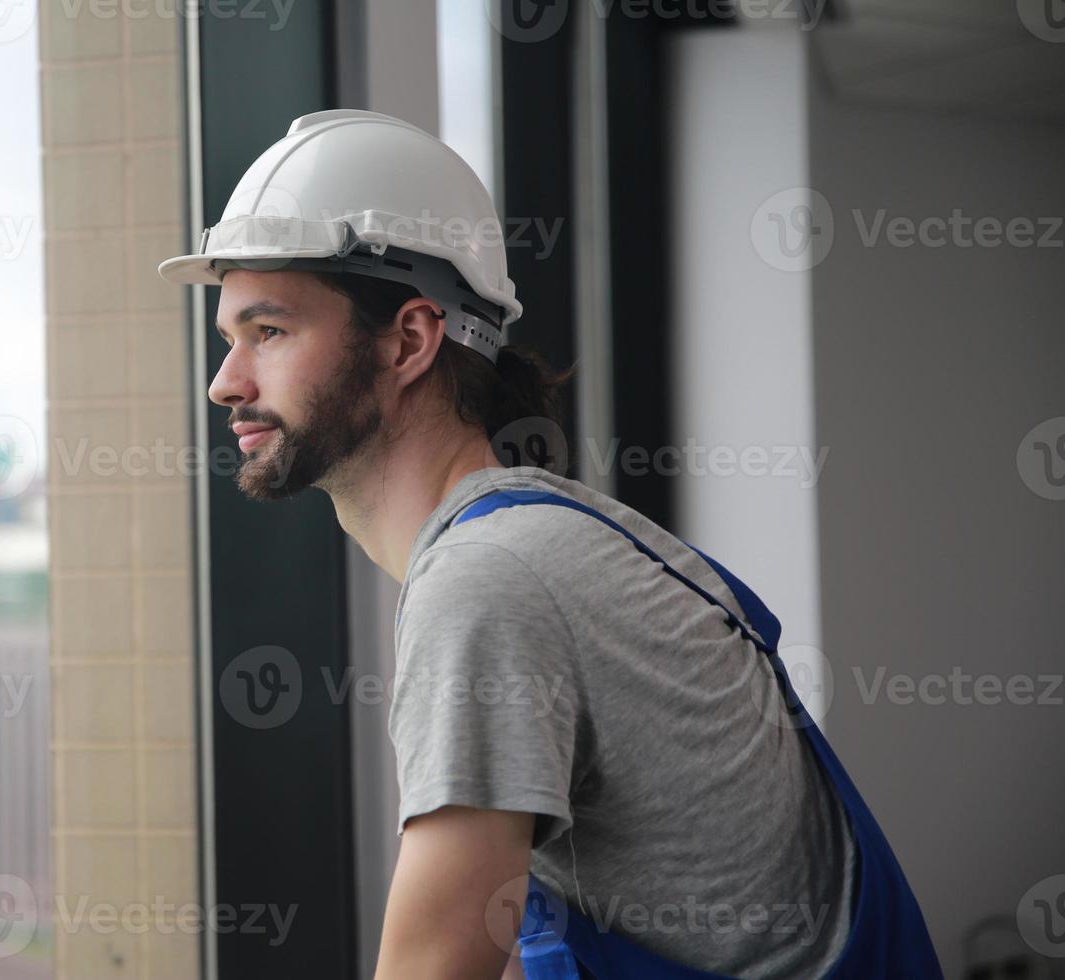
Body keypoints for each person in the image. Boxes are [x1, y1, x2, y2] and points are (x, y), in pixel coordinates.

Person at [157, 109, 941, 979]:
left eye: (269, 332)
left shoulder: (491, 583)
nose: (225, 383)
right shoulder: (554, 538)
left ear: (409, 341)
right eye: (231, 339)